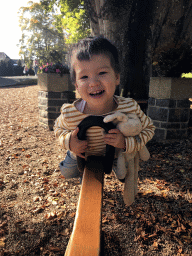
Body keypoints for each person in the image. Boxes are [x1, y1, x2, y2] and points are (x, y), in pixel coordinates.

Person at [54, 36, 155, 183]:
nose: (93, 83)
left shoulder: (129, 107)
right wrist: (69, 142)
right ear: (76, 85)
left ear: (117, 77)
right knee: (68, 172)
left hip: (115, 153)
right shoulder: (70, 113)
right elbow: (58, 128)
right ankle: (72, 168)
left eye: (102, 73)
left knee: (126, 174)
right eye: (84, 77)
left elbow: (149, 128)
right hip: (81, 154)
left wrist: (126, 143)